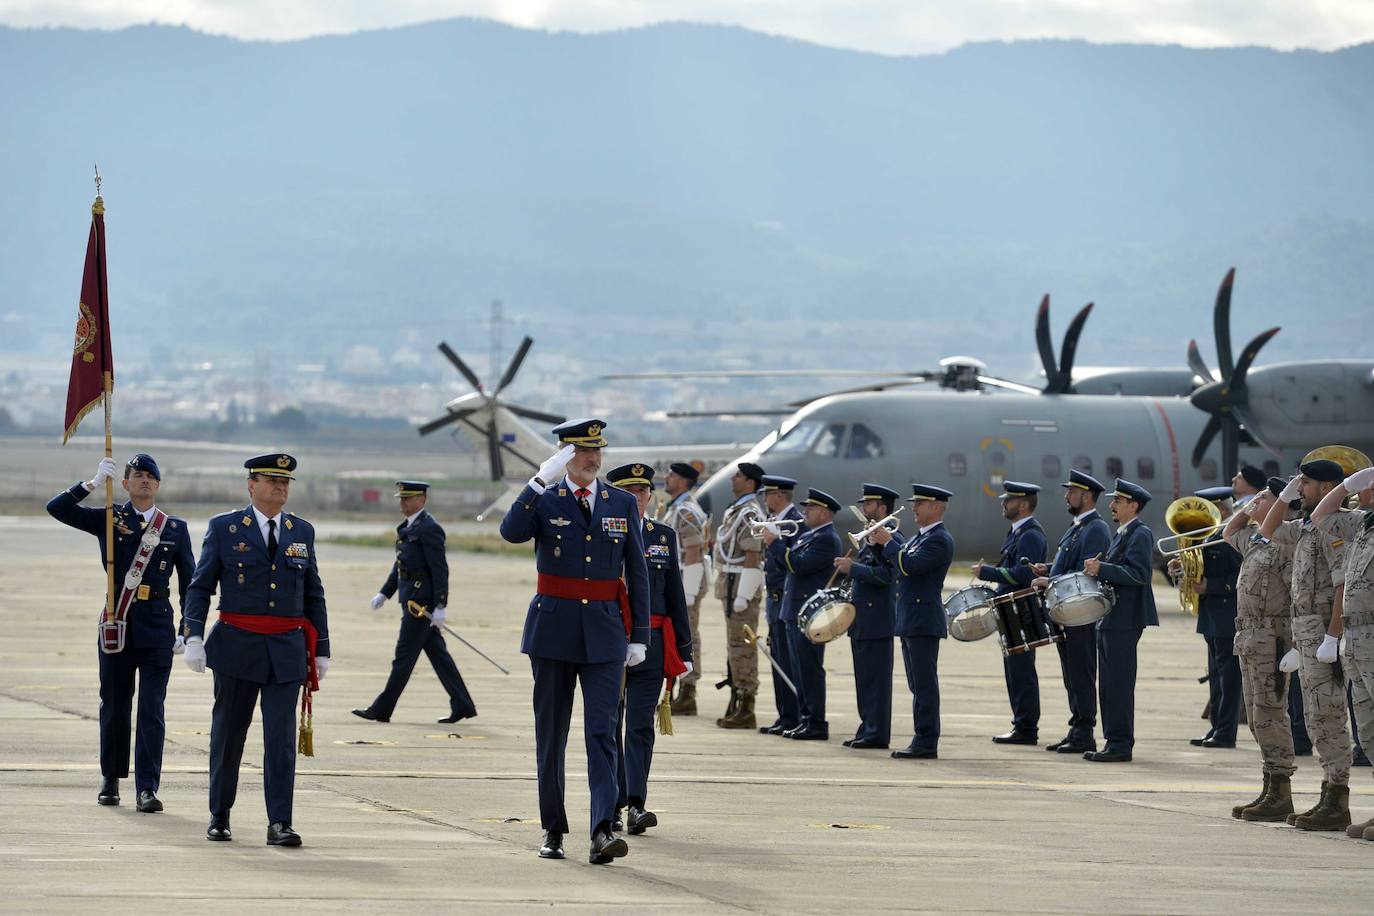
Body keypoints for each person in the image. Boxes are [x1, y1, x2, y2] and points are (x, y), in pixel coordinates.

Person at [498, 420, 650, 865]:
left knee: (603, 733)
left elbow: (636, 572)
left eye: (597, 450)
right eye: (583, 451)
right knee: (552, 736)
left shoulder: (621, 501)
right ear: (564, 454)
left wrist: (638, 636)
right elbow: (510, 532)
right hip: (552, 631)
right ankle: (553, 828)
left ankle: (602, 829)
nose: (593, 459)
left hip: (605, 634)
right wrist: (537, 481)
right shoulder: (545, 498)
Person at [182, 453, 330, 846]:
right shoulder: (226, 528)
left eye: (285, 482)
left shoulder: (302, 531)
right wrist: (193, 635)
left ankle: (280, 822)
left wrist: (322, 650)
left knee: (281, 740)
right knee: (229, 735)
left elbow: (313, 593)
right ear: (251, 484)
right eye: (271, 480)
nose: (280, 487)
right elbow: (200, 586)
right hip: (237, 646)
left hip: (286, 649)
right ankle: (220, 813)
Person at [46, 453, 194, 812]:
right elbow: (57, 508)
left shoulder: (174, 529)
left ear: (158, 485)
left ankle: (147, 788)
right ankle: (110, 778)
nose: (144, 480)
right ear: (125, 483)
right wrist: (93, 483)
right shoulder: (110, 519)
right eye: (137, 475)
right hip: (118, 623)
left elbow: (191, 583)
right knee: (114, 704)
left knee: (152, 709)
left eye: (150, 476)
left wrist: (187, 630)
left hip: (158, 626)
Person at [1257, 458, 1354, 830]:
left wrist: (1332, 635)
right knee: (1314, 717)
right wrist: (1285, 495)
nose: (1301, 488)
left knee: (1329, 715)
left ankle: (1337, 797)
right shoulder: (1308, 528)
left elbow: (1343, 585)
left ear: (1327, 488)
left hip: (1324, 629)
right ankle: (1328, 795)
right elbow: (1268, 529)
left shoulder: (1335, 527)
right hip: (1305, 630)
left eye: (1307, 483)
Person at [606, 464, 693, 836]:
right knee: (609, 727)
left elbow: (675, 593)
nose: (639, 497)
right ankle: (609, 804)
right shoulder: (602, 532)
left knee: (640, 725)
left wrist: (685, 649)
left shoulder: (663, 536)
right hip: (610, 643)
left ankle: (636, 804)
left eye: (643, 491)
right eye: (631, 491)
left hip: (654, 645)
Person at [354, 481, 476, 724]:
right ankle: (462, 704)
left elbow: (439, 570)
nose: (402, 503)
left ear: (422, 499)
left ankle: (382, 709)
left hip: (421, 607)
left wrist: (441, 606)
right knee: (439, 656)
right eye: (400, 499)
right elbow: (401, 565)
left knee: (403, 658)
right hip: (410, 600)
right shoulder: (408, 527)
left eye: (407, 499)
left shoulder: (430, 529)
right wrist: (384, 593)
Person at [1221, 478, 1299, 821]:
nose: (1255, 503)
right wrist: (1246, 509)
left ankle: (1281, 790)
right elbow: (1228, 532)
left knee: (1270, 713)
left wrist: (1294, 644)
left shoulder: (1287, 543)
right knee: (1255, 717)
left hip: (1273, 637)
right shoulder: (1258, 540)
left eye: (1263, 499)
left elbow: (1301, 594)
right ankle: (1269, 785)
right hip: (1250, 638)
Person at [1311, 461, 1374, 838]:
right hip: (1357, 638)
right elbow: (1322, 514)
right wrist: (1351, 481)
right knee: (1367, 730)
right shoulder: (1362, 527)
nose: (1360, 492)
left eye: (1367, 485)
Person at [1031, 468, 1111, 754]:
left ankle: (1084, 732)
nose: (1066, 495)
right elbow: (1070, 567)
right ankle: (1077, 727)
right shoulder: (1078, 526)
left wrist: (1049, 580)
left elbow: (1086, 574)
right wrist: (1049, 569)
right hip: (1068, 611)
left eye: (1072, 492)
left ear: (1086, 496)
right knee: (1071, 673)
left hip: (1082, 613)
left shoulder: (1096, 529)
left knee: (1081, 672)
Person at [871, 484, 954, 759]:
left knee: (924, 684)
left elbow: (911, 566)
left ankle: (926, 740)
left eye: (921, 503)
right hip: (911, 617)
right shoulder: (921, 537)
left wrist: (888, 542)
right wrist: (876, 547)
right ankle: (922, 736)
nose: (915, 508)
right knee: (916, 684)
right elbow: (898, 565)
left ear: (937, 507)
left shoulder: (939, 539)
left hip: (923, 619)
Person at [1082, 479, 1158, 762]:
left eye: (1118, 501)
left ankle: (1121, 744)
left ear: (1133, 505)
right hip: (1111, 617)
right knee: (1109, 684)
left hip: (1125, 619)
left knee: (1119, 684)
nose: (1111, 505)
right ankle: (1112, 740)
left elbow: (1139, 574)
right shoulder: (1123, 533)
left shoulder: (1140, 534)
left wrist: (1103, 568)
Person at [974, 481, 1047, 746]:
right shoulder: (1018, 532)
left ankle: (1026, 728)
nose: (1003, 503)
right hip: (1010, 608)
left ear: (1024, 504)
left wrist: (987, 573)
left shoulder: (1029, 534)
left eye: (1009, 500)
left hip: (1022, 610)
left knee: (1022, 671)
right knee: (1014, 670)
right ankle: (1021, 724)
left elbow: (1021, 574)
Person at [769, 488, 843, 740]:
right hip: (795, 610)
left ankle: (816, 722)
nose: (805, 513)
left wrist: (775, 543)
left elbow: (797, 565)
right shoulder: (811, 536)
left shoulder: (826, 539)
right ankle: (805, 718)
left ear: (823, 513)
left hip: (809, 613)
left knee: (810, 668)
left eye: (810, 509)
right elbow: (789, 563)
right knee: (799, 668)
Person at [834, 484, 901, 749]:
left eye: (870, 504)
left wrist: (854, 569)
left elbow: (887, 576)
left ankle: (877, 733)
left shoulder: (893, 539)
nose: (864, 508)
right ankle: (867, 727)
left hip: (878, 620)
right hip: (862, 619)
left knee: (876, 682)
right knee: (864, 680)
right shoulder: (870, 539)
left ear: (883, 509)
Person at [1175, 486, 1242, 749]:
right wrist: (1181, 568)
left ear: (1222, 510)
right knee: (1216, 675)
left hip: (1227, 614)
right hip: (1211, 617)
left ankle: (1226, 732)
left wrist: (1211, 586)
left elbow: (1239, 576)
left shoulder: (1232, 535)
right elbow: (1200, 568)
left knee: (1228, 677)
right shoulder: (1209, 535)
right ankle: (1216, 726)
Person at [711, 463, 766, 729]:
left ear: (750, 483)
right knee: (734, 646)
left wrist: (744, 594)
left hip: (741, 584)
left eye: (739, 476)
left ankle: (746, 706)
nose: (734, 478)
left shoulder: (750, 513)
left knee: (742, 647)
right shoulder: (739, 511)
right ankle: (736, 701)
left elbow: (753, 555)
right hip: (730, 581)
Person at [660, 462, 710, 717]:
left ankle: (688, 692)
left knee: (687, 635)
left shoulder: (686, 511)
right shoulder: (678, 509)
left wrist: (688, 592)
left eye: (671, 475)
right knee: (679, 634)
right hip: (679, 581)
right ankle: (680, 690)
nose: (666, 478)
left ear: (682, 481)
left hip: (685, 582)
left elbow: (693, 551)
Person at [758, 475, 804, 735]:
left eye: (768, 494)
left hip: (786, 596)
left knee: (789, 661)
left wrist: (775, 542)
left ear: (778, 495)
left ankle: (795, 715)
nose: (765, 499)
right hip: (774, 598)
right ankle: (784, 715)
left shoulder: (795, 523)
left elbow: (792, 561)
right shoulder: (775, 521)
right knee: (778, 661)